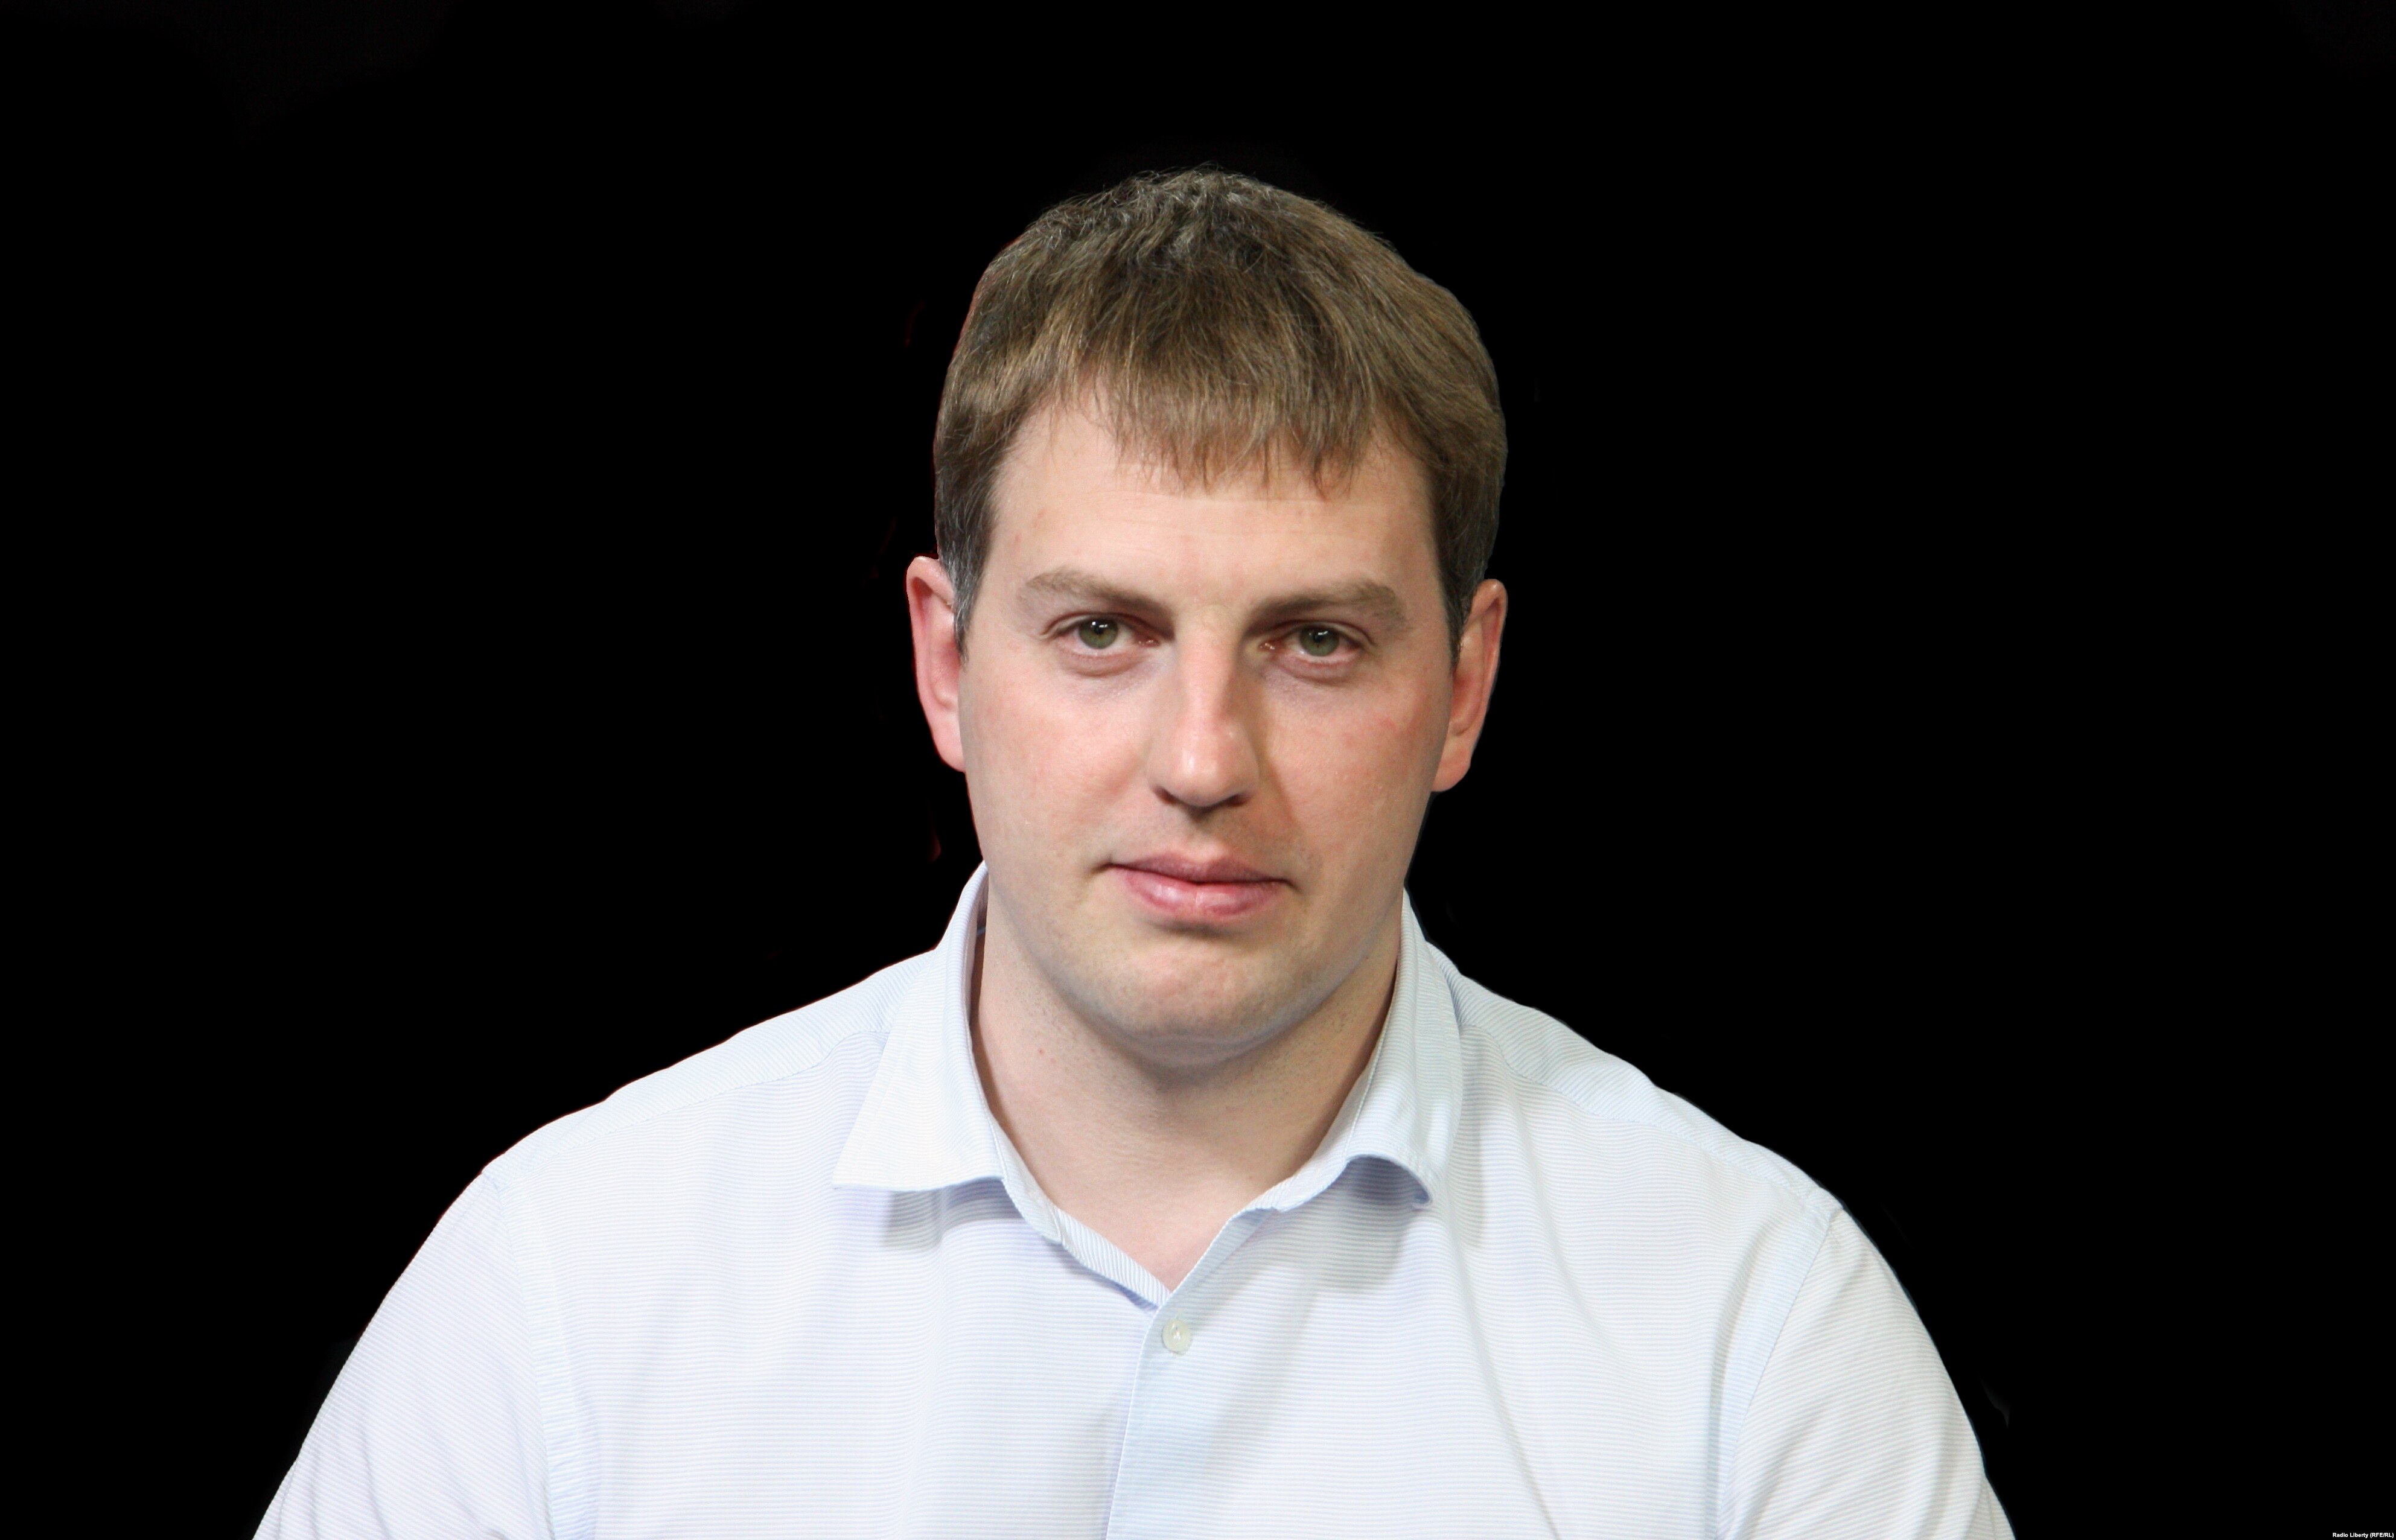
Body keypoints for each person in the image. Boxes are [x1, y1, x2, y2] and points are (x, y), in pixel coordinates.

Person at [260, 168, 2011, 1539]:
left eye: (1315, 642)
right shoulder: (566, 1287)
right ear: (945, 664)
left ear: (1465, 688)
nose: (1202, 763)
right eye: (1102, 632)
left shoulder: (1752, 1328)